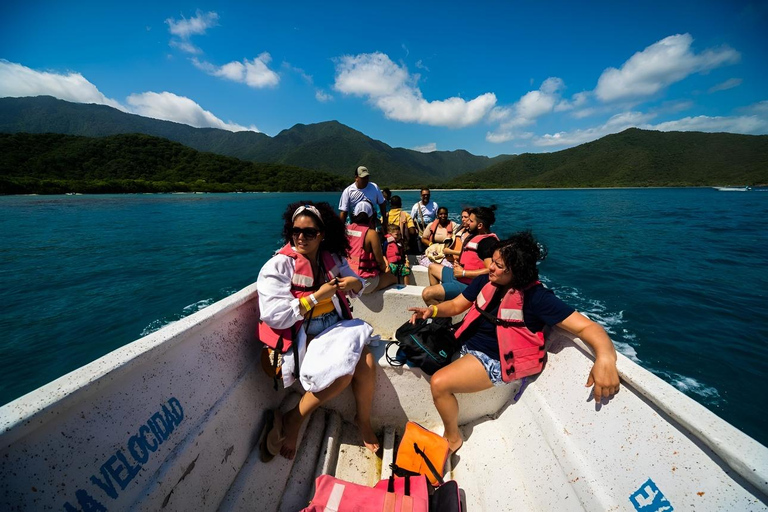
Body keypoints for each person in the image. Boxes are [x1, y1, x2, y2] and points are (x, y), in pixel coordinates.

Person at [408, 232, 621, 453]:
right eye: (493, 261)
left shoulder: (537, 298)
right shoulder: (486, 280)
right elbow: (455, 306)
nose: (490, 267)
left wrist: (605, 357)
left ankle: (453, 438)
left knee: (439, 383)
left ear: (517, 271)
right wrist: (432, 310)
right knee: (414, 348)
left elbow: (587, 327)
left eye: (499, 265)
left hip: (494, 360)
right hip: (465, 342)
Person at [257, 201, 379, 460]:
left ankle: (363, 419)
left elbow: (357, 284)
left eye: (309, 232)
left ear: (322, 234)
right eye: (296, 231)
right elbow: (275, 316)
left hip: (335, 325)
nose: (301, 237)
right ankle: (294, 419)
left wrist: (355, 281)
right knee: (342, 374)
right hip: (306, 333)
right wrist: (314, 298)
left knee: (366, 361)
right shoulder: (278, 266)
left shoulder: (331, 258)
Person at [422, 206, 499, 305]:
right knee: (432, 267)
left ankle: (441, 316)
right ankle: (442, 307)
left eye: (471, 221)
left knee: (427, 294)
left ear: (479, 225)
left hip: (468, 284)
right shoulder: (475, 236)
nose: (467, 223)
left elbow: (490, 270)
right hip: (458, 276)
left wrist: (463, 273)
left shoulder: (487, 243)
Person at [346, 202, 398, 293]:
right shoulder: (371, 234)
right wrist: (385, 269)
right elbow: (380, 262)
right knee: (393, 278)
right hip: (364, 283)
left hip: (347, 279)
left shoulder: (346, 229)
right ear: (372, 216)